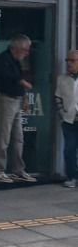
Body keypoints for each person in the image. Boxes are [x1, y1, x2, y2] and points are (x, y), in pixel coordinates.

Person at [0, 33, 36, 184]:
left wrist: (24, 98)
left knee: (18, 138)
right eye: (25, 50)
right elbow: (7, 76)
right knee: (4, 137)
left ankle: (18, 169)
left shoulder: (17, 61)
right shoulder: (3, 59)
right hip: (5, 99)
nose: (27, 53)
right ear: (16, 48)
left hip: (16, 100)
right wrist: (22, 82)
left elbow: (18, 77)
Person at [55, 50, 78, 188]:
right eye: (67, 60)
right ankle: (72, 177)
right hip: (69, 120)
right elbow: (57, 97)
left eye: (72, 60)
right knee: (69, 149)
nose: (69, 63)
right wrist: (62, 114)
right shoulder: (62, 79)